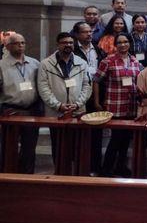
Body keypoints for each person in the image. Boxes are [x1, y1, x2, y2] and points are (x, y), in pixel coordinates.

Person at [93, 33, 142, 177]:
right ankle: (106, 169)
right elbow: (96, 80)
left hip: (131, 106)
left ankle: (120, 166)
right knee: (115, 139)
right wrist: (96, 102)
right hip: (115, 105)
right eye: (119, 42)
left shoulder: (135, 61)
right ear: (116, 45)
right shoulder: (108, 61)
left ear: (129, 44)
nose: (123, 45)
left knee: (126, 140)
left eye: (125, 42)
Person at [38, 32, 91, 162]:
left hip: (77, 111)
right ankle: (59, 174)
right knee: (58, 145)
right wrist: (58, 105)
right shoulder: (46, 64)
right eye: (64, 43)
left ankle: (75, 176)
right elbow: (43, 88)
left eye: (70, 42)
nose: (68, 45)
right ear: (58, 45)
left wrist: (78, 104)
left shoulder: (82, 63)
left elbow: (87, 86)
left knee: (77, 146)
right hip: (56, 112)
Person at [0, 33, 40, 173]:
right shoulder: (1, 65)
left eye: (23, 42)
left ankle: (28, 175)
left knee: (29, 146)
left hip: (32, 110)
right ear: (7, 46)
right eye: (17, 43)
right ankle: (8, 175)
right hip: (11, 110)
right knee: (9, 146)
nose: (21, 46)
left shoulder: (34, 63)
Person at [72, 22, 107, 174]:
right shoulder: (73, 50)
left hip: (95, 93)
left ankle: (95, 166)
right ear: (77, 34)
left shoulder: (98, 49)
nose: (89, 34)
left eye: (90, 32)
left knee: (96, 134)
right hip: (78, 94)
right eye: (85, 32)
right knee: (79, 134)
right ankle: (80, 167)